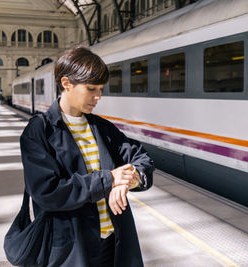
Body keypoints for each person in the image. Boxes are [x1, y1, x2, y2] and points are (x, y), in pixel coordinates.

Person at [20, 46, 154, 267]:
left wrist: (128, 180)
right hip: (71, 250)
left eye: (101, 89)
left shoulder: (103, 128)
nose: (98, 96)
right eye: (92, 88)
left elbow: (142, 158)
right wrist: (109, 179)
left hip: (113, 243)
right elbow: (47, 192)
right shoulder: (39, 131)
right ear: (66, 84)